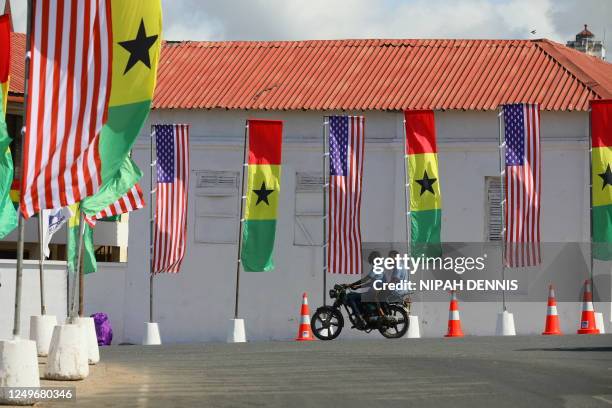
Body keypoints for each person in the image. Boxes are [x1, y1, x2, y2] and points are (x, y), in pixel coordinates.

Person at [344, 251, 383, 329]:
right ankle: (363, 315)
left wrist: (351, 284)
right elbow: (370, 283)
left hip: (373, 293)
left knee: (351, 297)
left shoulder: (377, 268)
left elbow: (366, 279)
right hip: (373, 291)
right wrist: (358, 287)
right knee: (356, 296)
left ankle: (359, 317)